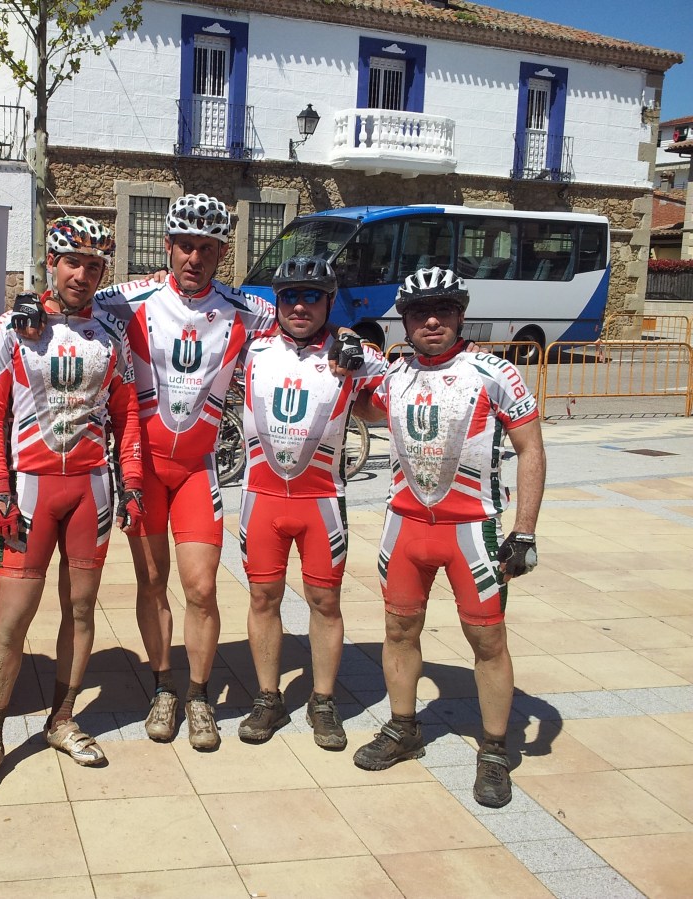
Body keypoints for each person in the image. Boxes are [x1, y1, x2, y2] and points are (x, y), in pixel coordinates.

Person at [352, 267, 546, 810]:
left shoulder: (495, 372)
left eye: (443, 310)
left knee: (487, 641)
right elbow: (365, 406)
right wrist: (348, 368)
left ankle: (494, 750)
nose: (431, 321)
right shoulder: (396, 375)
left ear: (461, 315)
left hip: (473, 530)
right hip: (405, 526)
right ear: (406, 321)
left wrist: (524, 530)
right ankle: (403, 728)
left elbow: (531, 448)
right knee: (398, 630)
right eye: (419, 312)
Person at [0, 216, 143, 795]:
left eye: (93, 266)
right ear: (51, 263)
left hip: (91, 489)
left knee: (82, 611)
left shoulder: (110, 334)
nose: (81, 275)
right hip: (29, 490)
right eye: (71, 262)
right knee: (12, 618)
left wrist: (132, 482)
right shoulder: (14, 327)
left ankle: (62, 720)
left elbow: (128, 416)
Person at [92, 194, 274, 751]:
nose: (195, 258)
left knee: (201, 587)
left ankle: (198, 695)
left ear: (222, 253)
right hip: (143, 468)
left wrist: (349, 349)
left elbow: (303, 323)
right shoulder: (126, 300)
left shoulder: (247, 310)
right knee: (152, 583)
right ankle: (163, 687)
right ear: (167, 246)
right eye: (185, 246)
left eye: (207, 248)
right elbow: (69, 300)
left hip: (197, 469)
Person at [236, 257, 386, 748]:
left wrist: (358, 345)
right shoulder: (252, 347)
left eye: (312, 296)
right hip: (261, 499)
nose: (300, 306)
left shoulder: (349, 352)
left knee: (325, 601)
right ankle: (268, 698)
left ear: (329, 300)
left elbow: (407, 382)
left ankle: (323, 700)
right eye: (290, 297)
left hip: (320, 501)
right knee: (263, 597)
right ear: (277, 301)